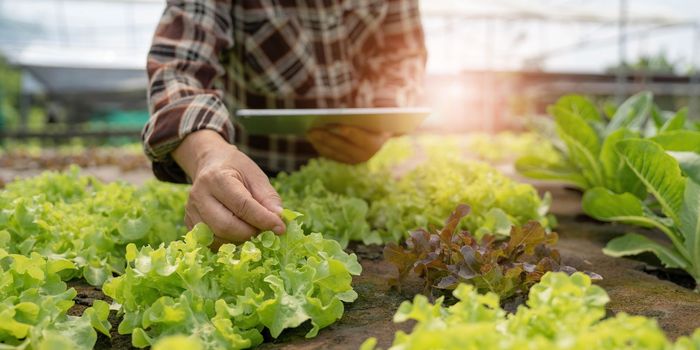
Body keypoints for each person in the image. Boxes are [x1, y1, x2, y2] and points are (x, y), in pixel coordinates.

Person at [142, 0, 426, 247]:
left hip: (351, 181)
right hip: (250, 182)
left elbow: (402, 55)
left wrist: (382, 118)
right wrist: (206, 153)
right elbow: (178, 67)